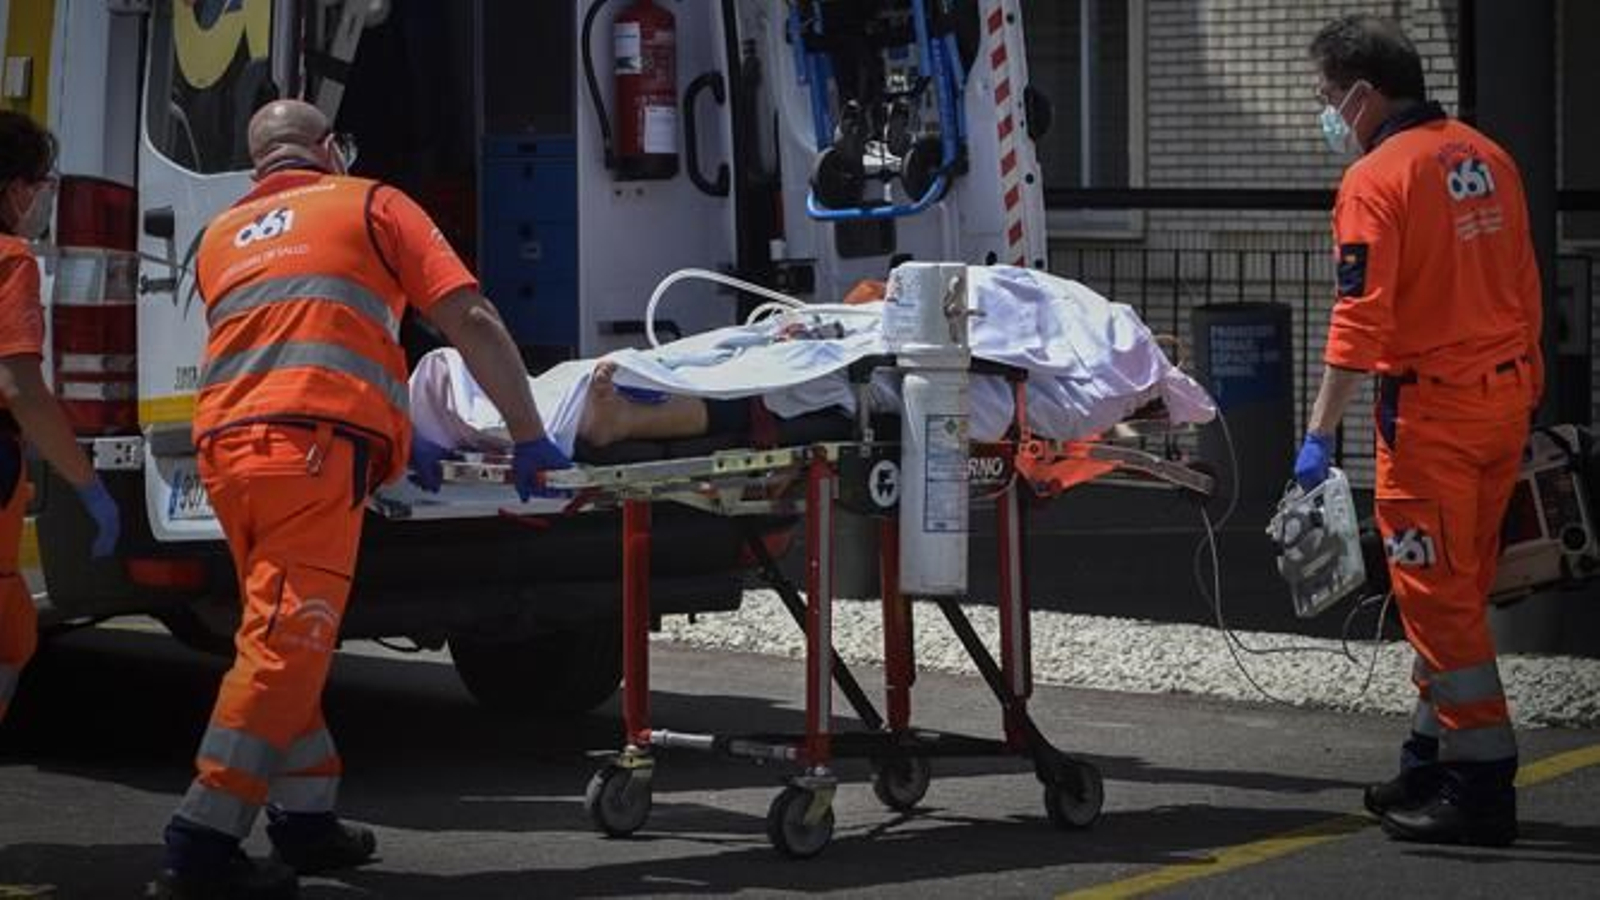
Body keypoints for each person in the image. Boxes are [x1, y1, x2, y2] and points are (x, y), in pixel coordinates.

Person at [152, 99, 570, 899]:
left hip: (227, 455)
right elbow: (469, 317)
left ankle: (305, 816)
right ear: (328, 150)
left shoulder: (219, 238)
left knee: (275, 626)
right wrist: (525, 431)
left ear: (257, 167)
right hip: (308, 453)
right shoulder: (373, 203)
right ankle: (202, 837)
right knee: (287, 644)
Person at [1298, 15, 1543, 847]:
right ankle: (1427, 756)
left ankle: (1481, 785)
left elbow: (1358, 320)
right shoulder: (1487, 156)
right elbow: (1523, 283)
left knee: (1433, 599)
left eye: (1330, 97)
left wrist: (1318, 434)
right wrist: (1529, 390)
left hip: (1433, 414)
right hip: (1503, 403)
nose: (1326, 113)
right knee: (1459, 592)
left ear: (1365, 94)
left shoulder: (1377, 179)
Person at [0, 111, 120, 728]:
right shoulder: (11, 261)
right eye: (43, 184)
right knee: (10, 637)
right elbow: (20, 386)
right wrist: (88, 485)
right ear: (17, 189)